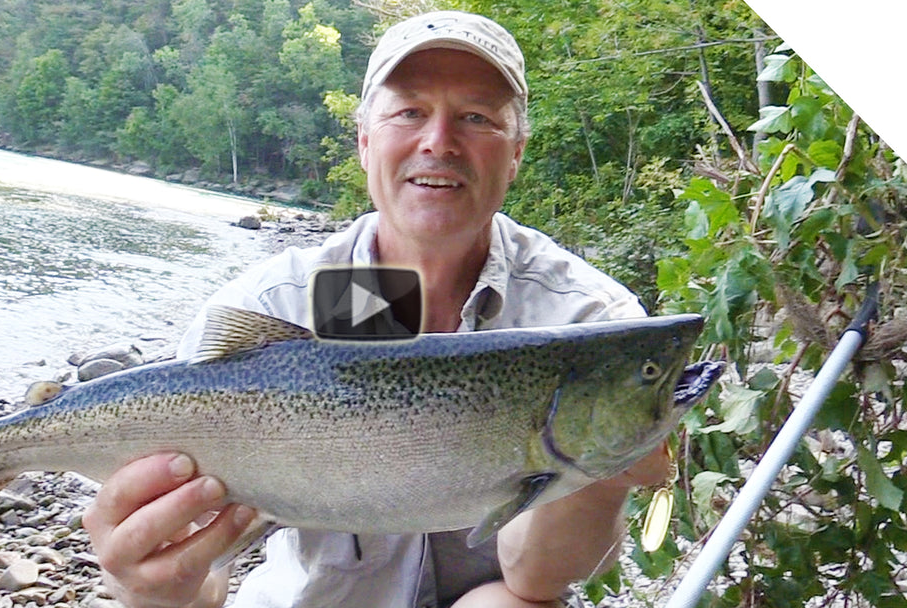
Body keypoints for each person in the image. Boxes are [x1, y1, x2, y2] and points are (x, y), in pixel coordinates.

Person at [82, 10, 669, 608]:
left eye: (475, 117)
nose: (438, 142)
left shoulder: (593, 328)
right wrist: (151, 586)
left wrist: (602, 476)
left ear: (515, 153)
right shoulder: (274, 303)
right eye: (410, 112)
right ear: (365, 142)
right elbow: (202, 589)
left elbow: (535, 583)